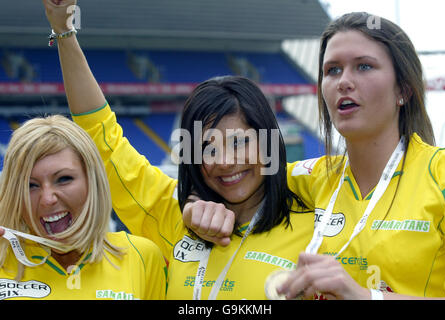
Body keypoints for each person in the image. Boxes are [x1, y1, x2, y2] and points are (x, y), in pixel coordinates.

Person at [42, 0, 314, 299]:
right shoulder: (171, 213)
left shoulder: (318, 223)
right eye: (207, 147)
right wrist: (64, 31)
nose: (225, 161)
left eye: (239, 142)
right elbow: (101, 135)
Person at [188, 12, 445, 300]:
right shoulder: (309, 179)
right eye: (332, 70)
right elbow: (233, 178)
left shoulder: (442, 175)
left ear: (403, 89)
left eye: (364, 66)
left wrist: (365, 296)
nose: (344, 82)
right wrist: (194, 208)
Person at [0, 115, 167, 300]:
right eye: (31, 185)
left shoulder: (142, 256)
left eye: (64, 179)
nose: (47, 199)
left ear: (92, 181)